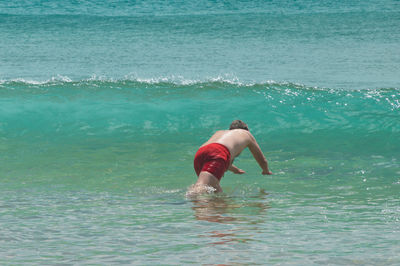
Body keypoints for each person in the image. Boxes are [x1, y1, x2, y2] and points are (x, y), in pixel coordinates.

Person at [189, 120, 272, 194]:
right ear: (246, 129)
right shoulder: (247, 134)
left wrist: (236, 170)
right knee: (202, 186)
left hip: (200, 153)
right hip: (218, 151)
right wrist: (266, 170)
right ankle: (185, 201)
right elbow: (262, 160)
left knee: (216, 190)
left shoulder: (220, 133)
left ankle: (217, 209)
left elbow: (222, 161)